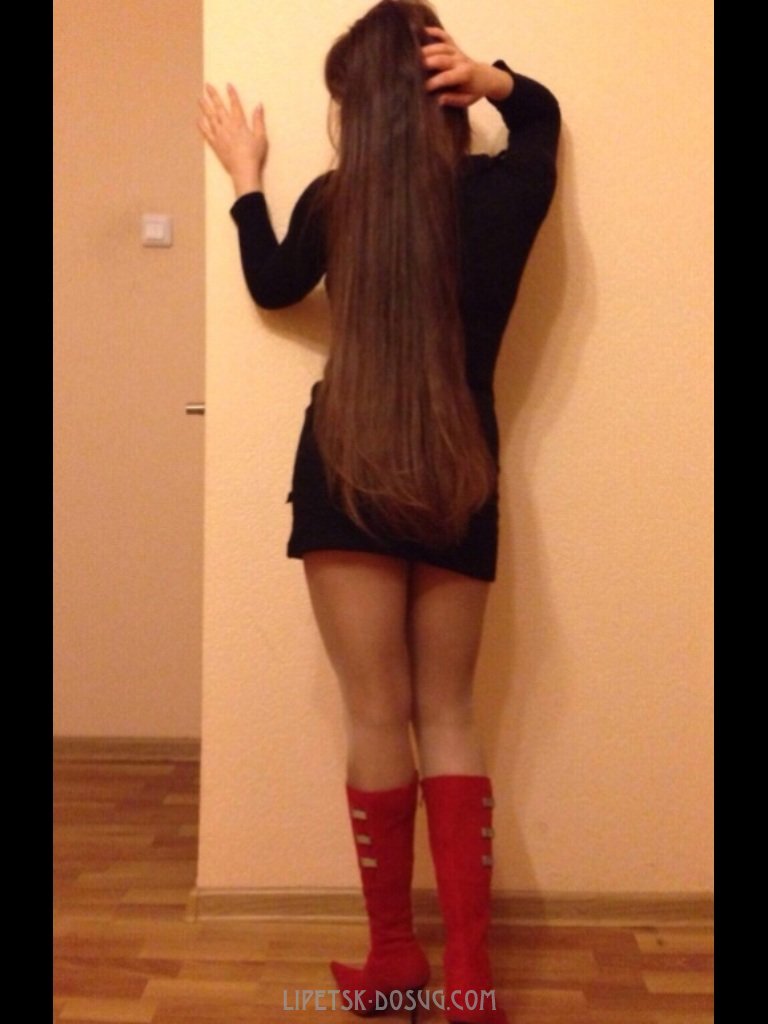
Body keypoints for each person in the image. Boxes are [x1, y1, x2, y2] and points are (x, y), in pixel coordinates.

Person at [198, 2, 560, 1021]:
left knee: (374, 712)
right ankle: (471, 979)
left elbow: (275, 285)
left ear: (356, 107)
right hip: (459, 469)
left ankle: (395, 957)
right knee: (448, 713)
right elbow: (542, 120)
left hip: (345, 467)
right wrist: (495, 80)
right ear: (443, 88)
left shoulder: (335, 201)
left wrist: (246, 181)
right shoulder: (506, 193)